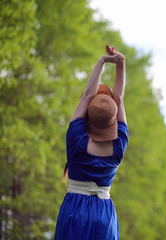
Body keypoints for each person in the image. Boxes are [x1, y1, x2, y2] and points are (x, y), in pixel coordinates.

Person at [55, 45, 128, 240]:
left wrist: (103, 61)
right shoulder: (119, 146)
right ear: (111, 121)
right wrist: (120, 62)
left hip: (74, 211)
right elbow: (119, 100)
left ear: (89, 115)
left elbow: (88, 95)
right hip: (104, 214)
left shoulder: (76, 139)